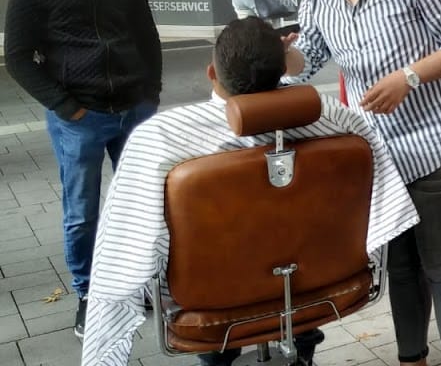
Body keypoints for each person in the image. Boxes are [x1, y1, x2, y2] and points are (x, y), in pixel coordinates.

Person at [79, 18, 420, 366]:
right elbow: (384, 208)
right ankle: (303, 351)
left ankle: (219, 358)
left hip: (214, 306)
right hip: (319, 289)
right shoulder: (339, 121)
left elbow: (122, 258)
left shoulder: (160, 140)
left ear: (212, 72)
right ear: (284, 69)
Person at [264, 0, 441, 366]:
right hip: (378, 153)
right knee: (401, 267)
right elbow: (309, 59)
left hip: (437, 144)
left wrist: (409, 77)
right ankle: (412, 360)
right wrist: (275, 56)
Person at [3, 0, 162, 339]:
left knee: (141, 204)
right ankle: (90, 293)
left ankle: (135, 282)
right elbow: (17, 57)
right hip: (80, 117)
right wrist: (65, 106)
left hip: (134, 109)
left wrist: (149, 95)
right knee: (82, 212)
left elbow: (147, 39)